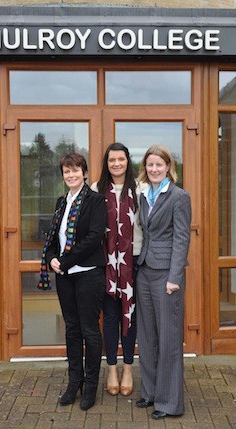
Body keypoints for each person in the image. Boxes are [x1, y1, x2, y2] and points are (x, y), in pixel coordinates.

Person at [37, 152, 107, 411]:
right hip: (65, 277)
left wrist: (63, 261)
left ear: (85, 173)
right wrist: (53, 257)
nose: (71, 175)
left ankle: (90, 387)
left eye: (76, 170)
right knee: (72, 329)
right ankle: (73, 383)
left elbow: (94, 237)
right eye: (67, 171)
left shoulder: (96, 201)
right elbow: (54, 237)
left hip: (88, 273)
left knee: (90, 329)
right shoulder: (60, 202)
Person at [135, 144, 191, 420]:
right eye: (150, 165)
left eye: (159, 164)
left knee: (168, 338)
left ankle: (169, 403)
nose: (154, 169)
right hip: (144, 270)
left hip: (166, 274)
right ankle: (150, 393)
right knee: (146, 336)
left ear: (169, 166)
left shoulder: (179, 197)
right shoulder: (145, 195)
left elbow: (182, 239)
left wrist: (174, 278)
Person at [91, 142, 144, 397]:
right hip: (107, 265)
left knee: (130, 316)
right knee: (111, 317)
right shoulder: (96, 190)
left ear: (127, 161)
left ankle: (128, 369)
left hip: (133, 264)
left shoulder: (141, 190)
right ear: (106, 163)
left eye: (121, 159)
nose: (116, 164)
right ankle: (111, 368)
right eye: (111, 160)